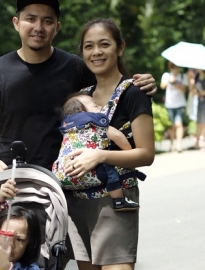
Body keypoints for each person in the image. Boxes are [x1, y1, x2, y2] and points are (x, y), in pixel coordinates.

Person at [0, 0, 157, 179]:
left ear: (57, 27)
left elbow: (112, 88)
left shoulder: (75, 67)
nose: (38, 27)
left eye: (47, 21)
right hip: (14, 181)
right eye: (30, 19)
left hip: (70, 181)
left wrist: (141, 83)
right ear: (16, 23)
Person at [59, 18, 154, 270]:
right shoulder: (82, 96)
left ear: (120, 47)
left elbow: (146, 154)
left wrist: (99, 156)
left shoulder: (134, 93)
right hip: (77, 201)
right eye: (89, 46)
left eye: (104, 44)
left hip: (115, 201)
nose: (96, 52)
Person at [52, 92, 139, 211]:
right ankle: (119, 201)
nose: (100, 107)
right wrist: (128, 150)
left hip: (65, 174)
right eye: (95, 105)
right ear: (83, 112)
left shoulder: (67, 128)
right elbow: (117, 136)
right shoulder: (96, 122)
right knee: (110, 171)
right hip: (93, 171)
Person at [0, 179, 41, 270]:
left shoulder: (30, 268)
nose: (11, 244)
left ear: (29, 244)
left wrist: (5, 266)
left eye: (20, 239)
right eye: (5, 235)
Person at [160, 61, 188, 153]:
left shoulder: (183, 76)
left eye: (176, 67)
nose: (175, 69)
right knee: (171, 126)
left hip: (180, 104)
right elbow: (162, 86)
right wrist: (170, 81)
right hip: (169, 104)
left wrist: (177, 84)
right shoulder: (166, 75)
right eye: (173, 67)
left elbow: (184, 89)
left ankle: (179, 145)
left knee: (179, 124)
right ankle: (172, 144)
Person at [189, 69, 205, 150]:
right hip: (199, 104)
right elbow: (192, 91)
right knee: (199, 124)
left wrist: (200, 93)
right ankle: (197, 144)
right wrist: (191, 80)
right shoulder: (196, 77)